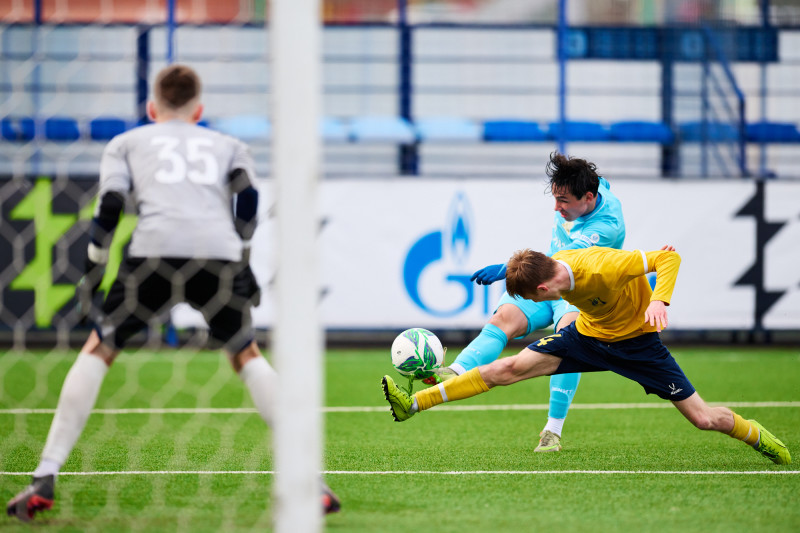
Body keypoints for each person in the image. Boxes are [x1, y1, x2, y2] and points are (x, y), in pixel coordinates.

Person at [6, 64, 340, 522]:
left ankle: (45, 474)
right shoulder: (228, 145)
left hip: (154, 252)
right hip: (218, 254)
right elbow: (248, 198)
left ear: (151, 107)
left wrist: (94, 266)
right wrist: (241, 256)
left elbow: (111, 204)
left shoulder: (127, 142)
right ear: (199, 110)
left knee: (99, 348)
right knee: (246, 354)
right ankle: (309, 480)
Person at [382, 246, 791, 466]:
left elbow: (668, 256)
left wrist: (660, 300)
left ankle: (755, 433)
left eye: (528, 297)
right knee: (506, 369)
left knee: (704, 420)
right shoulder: (551, 269)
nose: (529, 302)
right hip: (586, 337)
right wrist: (505, 267)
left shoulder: (603, 267)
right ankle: (412, 405)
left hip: (638, 347)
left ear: (544, 291)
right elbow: (533, 259)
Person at [432, 152, 625, 453]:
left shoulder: (604, 229)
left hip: (576, 291)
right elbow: (588, 176)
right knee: (502, 320)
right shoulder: (593, 185)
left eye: (563, 201)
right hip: (544, 282)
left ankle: (552, 430)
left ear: (588, 197)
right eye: (555, 197)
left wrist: (509, 269)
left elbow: (559, 262)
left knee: (568, 340)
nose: (556, 207)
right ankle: (454, 373)